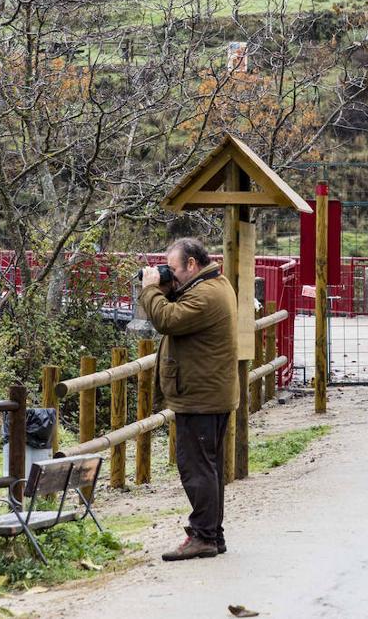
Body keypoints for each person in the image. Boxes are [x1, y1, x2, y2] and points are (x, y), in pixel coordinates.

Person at [140, 237, 238, 561]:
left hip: (200, 398)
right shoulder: (214, 285)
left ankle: (203, 536)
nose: (169, 273)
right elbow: (179, 307)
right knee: (208, 468)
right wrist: (168, 285)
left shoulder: (206, 295)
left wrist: (150, 289)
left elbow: (167, 320)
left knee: (196, 468)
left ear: (192, 264)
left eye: (173, 268)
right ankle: (212, 534)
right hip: (209, 393)